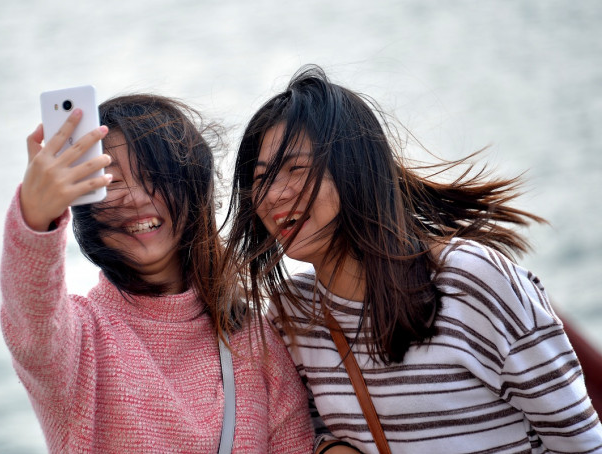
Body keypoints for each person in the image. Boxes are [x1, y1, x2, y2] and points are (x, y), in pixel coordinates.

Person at [224, 65, 602, 453]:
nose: (274, 195)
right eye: (261, 178)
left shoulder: (472, 282)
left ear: (354, 169)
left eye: (296, 169)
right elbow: (301, 433)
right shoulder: (293, 315)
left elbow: (581, 444)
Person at [0, 93, 314, 452]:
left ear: (195, 189)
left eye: (154, 176)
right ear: (85, 208)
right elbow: (31, 323)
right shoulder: (80, 341)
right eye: (112, 182)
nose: (135, 198)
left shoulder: (257, 343)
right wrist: (36, 216)